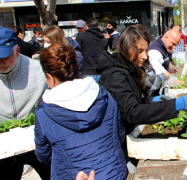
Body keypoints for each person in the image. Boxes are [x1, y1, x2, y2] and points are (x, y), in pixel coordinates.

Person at [96, 24, 187, 172]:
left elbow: (133, 100)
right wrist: (175, 105)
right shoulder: (115, 75)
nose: (145, 56)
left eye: (145, 50)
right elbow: (131, 112)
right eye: (140, 51)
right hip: (118, 147)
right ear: (127, 48)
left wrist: (151, 101)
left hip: (128, 139)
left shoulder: (129, 68)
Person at [35, 44, 128, 180]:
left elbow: (44, 156)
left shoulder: (44, 113)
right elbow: (119, 135)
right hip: (114, 174)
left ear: (50, 77)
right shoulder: (105, 96)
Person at [0, 28, 49, 180]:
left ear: (17, 50)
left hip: (37, 142)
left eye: (5, 56)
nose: (1, 62)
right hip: (4, 147)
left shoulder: (39, 71)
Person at [76, 18, 108, 82]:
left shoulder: (81, 37)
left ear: (86, 27)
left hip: (86, 72)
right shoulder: (104, 40)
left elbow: (76, 54)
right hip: (100, 73)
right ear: (97, 26)